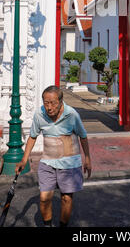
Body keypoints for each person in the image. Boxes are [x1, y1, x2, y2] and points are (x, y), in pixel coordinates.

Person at [16, 85, 92, 227]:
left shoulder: (72, 115)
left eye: (53, 103)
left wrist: (87, 159)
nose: (49, 107)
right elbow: (32, 137)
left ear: (61, 102)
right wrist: (24, 159)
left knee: (66, 198)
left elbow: (83, 136)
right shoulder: (39, 114)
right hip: (48, 162)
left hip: (70, 163)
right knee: (44, 198)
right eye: (46, 103)